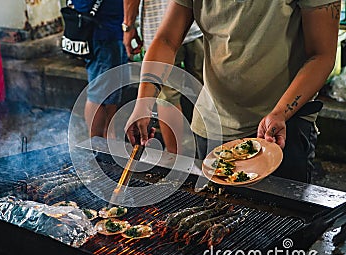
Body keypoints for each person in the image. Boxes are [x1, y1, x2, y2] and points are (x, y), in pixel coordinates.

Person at [126, 0, 340, 183]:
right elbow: (166, 40)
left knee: (283, 224)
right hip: (212, 125)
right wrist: (143, 103)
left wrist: (281, 112)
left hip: (281, 128)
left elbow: (321, 55)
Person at [123, 0, 204, 154]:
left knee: (167, 97)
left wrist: (128, 26)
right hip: (197, 25)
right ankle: (211, 154)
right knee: (205, 91)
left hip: (159, 30)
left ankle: (175, 157)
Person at [72, 0, 128, 138]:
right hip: (101, 34)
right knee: (98, 93)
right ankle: (96, 143)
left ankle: (109, 135)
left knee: (112, 91)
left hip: (114, 31)